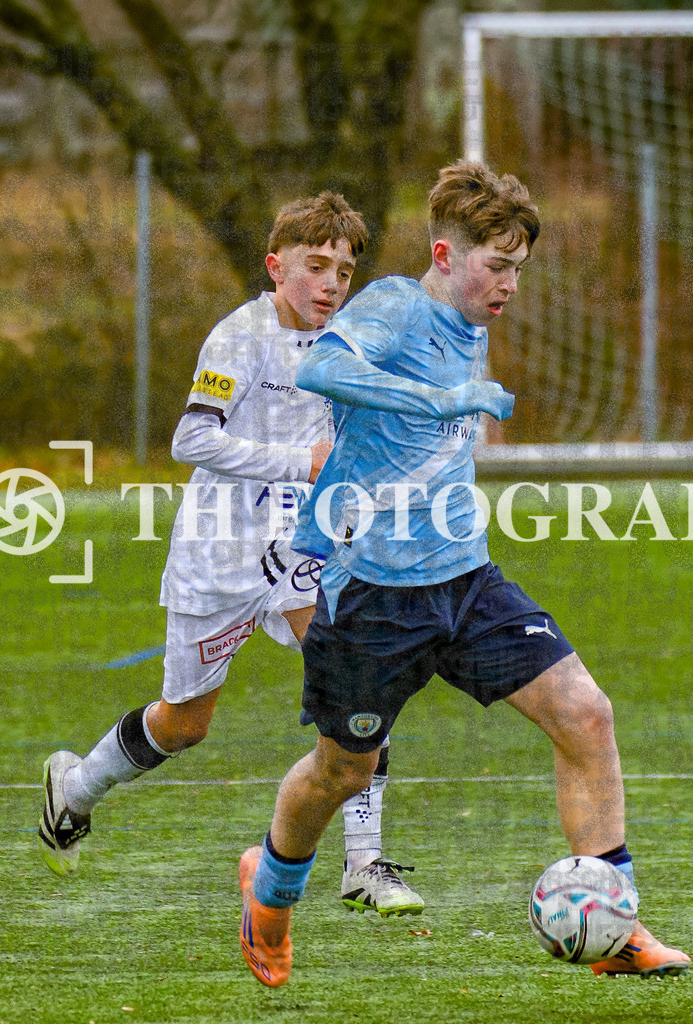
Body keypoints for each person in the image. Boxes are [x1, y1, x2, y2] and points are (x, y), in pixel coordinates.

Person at [237, 162, 691, 987]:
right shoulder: (393, 307)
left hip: (465, 579)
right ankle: (268, 892)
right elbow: (320, 371)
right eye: (497, 265)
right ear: (445, 253)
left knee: (585, 715)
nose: (509, 284)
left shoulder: (470, 317)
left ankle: (616, 921)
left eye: (518, 268)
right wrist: (437, 404)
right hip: (372, 594)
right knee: (343, 771)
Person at [38, 192, 423, 919]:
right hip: (217, 550)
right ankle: (77, 787)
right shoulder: (237, 338)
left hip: (302, 543)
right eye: (316, 266)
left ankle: (365, 864)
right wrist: (297, 461)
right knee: (184, 724)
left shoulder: (345, 338)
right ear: (276, 267)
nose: (332, 283)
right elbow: (191, 441)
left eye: (344, 269)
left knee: (360, 682)